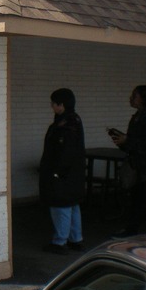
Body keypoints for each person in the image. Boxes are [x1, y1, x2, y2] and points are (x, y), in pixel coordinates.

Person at [110, 85, 146, 238]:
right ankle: (132, 230)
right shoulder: (137, 117)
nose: (131, 98)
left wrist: (127, 140)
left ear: (142, 99)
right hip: (139, 167)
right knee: (136, 202)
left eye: (134, 96)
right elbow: (137, 143)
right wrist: (122, 142)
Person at [39, 88, 86, 255]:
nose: (51, 106)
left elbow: (64, 151)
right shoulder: (75, 121)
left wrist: (57, 172)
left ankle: (60, 241)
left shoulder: (65, 124)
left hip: (62, 174)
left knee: (60, 206)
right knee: (72, 205)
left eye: (53, 103)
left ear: (61, 105)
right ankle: (76, 239)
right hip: (73, 174)